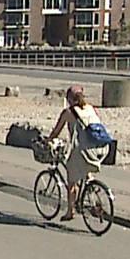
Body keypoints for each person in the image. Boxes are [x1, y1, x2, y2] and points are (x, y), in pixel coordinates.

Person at [46, 84, 108, 222]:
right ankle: (91, 188)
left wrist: (48, 141)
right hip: (100, 148)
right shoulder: (91, 108)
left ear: (69, 98)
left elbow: (56, 132)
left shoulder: (68, 112)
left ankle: (70, 211)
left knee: (71, 180)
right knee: (85, 168)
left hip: (83, 150)